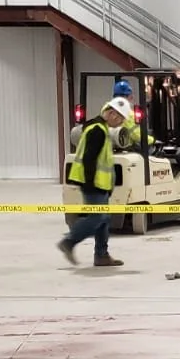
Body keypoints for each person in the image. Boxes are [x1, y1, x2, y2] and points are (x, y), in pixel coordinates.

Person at [58, 97, 130, 268]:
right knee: (98, 217)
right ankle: (69, 242)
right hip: (92, 184)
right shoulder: (97, 130)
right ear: (112, 114)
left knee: (104, 220)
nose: (120, 123)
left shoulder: (99, 128)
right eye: (120, 119)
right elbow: (89, 159)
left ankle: (102, 255)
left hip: (100, 184)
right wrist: (90, 183)